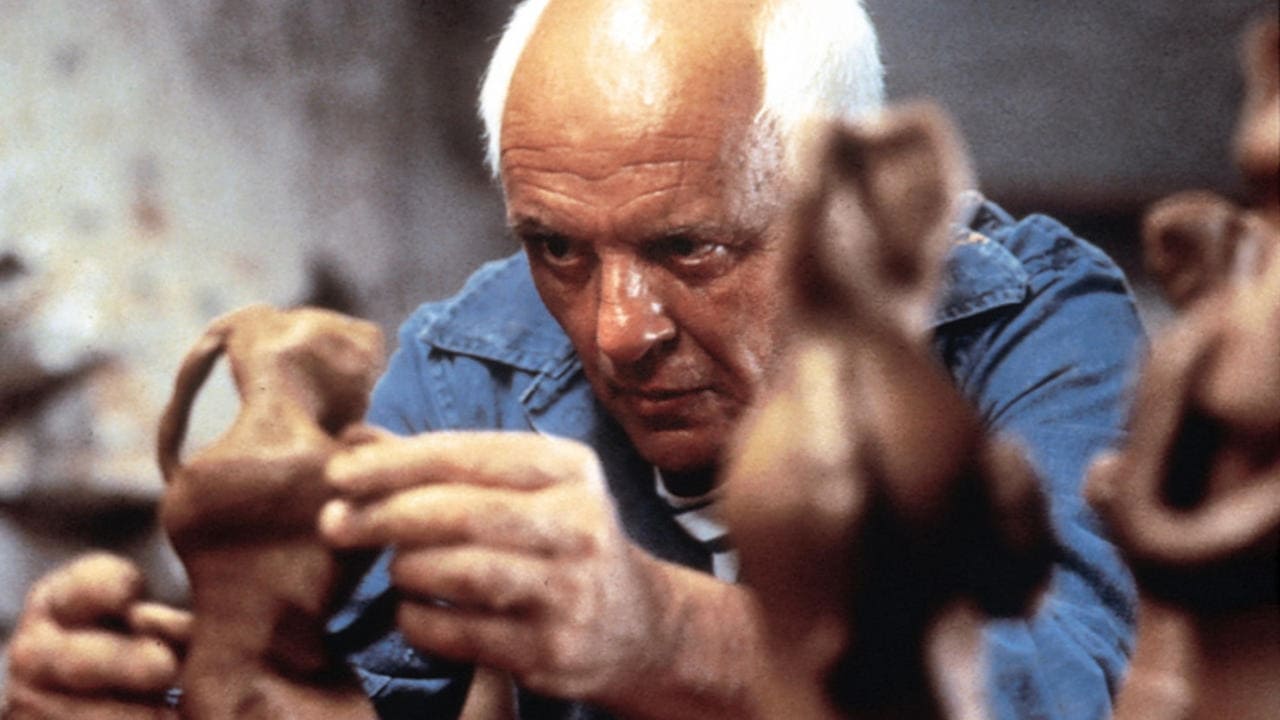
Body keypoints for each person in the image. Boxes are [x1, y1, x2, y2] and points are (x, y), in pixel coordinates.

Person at [3, 1, 1144, 719]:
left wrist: (661, 636)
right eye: (556, 247)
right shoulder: (473, 361)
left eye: (687, 248)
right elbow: (353, 689)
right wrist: (141, 696)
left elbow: (1069, 684)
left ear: (835, 207)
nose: (616, 332)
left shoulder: (1027, 326)